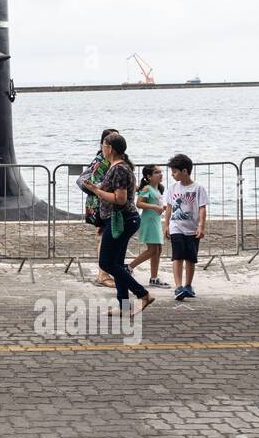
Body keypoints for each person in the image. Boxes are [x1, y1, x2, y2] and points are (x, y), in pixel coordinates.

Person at [82, 132, 154, 313]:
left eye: (104, 146)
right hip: (117, 220)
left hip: (122, 220)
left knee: (106, 263)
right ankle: (123, 305)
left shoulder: (119, 169)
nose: (102, 149)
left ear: (111, 149)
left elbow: (120, 199)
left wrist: (96, 191)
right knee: (118, 262)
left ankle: (143, 294)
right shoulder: (116, 167)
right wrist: (96, 188)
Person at [164, 154, 207, 302]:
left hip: (192, 228)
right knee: (177, 256)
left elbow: (202, 208)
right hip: (176, 226)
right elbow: (169, 207)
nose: (172, 174)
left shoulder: (198, 188)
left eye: (175, 171)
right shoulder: (172, 188)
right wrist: (166, 224)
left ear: (185, 171)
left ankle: (188, 285)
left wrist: (201, 226)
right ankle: (178, 286)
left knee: (191, 257)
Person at [80, 128, 120, 288]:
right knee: (104, 237)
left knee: (105, 236)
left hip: (103, 202)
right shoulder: (102, 161)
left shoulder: (106, 160)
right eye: (114, 138)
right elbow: (95, 183)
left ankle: (106, 271)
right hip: (100, 204)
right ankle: (103, 273)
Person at [128, 164, 169, 287]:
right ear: (149, 176)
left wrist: (165, 207)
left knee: (158, 250)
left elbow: (158, 205)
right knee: (152, 250)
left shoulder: (158, 189)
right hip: (149, 221)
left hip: (155, 220)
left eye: (160, 172)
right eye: (157, 172)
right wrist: (155, 207)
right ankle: (129, 267)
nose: (160, 174)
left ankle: (154, 278)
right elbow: (139, 203)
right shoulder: (147, 189)